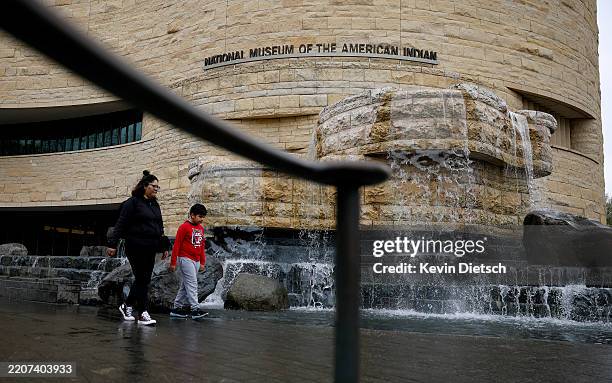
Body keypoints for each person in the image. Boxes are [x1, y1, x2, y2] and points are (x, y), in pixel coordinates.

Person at [107, 170, 169, 326]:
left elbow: (159, 227)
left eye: (158, 187)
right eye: (154, 186)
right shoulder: (132, 202)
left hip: (151, 247)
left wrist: (164, 246)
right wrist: (112, 244)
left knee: (144, 279)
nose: (156, 189)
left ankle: (127, 305)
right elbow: (120, 224)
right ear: (145, 186)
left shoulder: (155, 204)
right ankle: (142, 313)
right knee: (142, 278)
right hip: (135, 246)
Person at [168, 203, 209, 319]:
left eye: (203, 217)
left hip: (196, 260)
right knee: (192, 284)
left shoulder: (200, 229)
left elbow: (201, 246)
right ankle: (195, 309)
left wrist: (202, 262)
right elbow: (176, 245)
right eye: (200, 216)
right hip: (185, 259)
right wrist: (173, 262)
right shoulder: (184, 227)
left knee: (185, 285)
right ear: (192, 215)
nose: (201, 219)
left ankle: (177, 308)